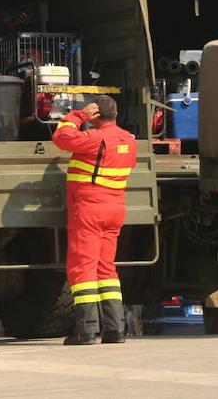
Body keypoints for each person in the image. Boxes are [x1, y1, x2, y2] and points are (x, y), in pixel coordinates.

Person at [51, 95, 137, 345]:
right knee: (106, 267)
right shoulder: (128, 141)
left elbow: (62, 138)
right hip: (115, 208)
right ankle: (114, 329)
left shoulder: (95, 139)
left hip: (90, 209)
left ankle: (86, 330)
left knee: (83, 267)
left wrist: (79, 115)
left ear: (96, 114)